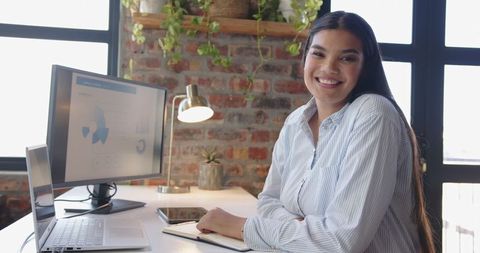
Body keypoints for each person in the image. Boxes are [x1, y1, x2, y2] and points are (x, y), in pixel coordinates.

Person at [197, 11, 435, 253]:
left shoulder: (374, 114)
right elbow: (268, 203)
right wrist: (304, 232)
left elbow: (341, 241)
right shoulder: (295, 123)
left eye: (347, 58)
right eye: (319, 54)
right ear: (305, 58)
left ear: (365, 67)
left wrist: (240, 226)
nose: (329, 67)